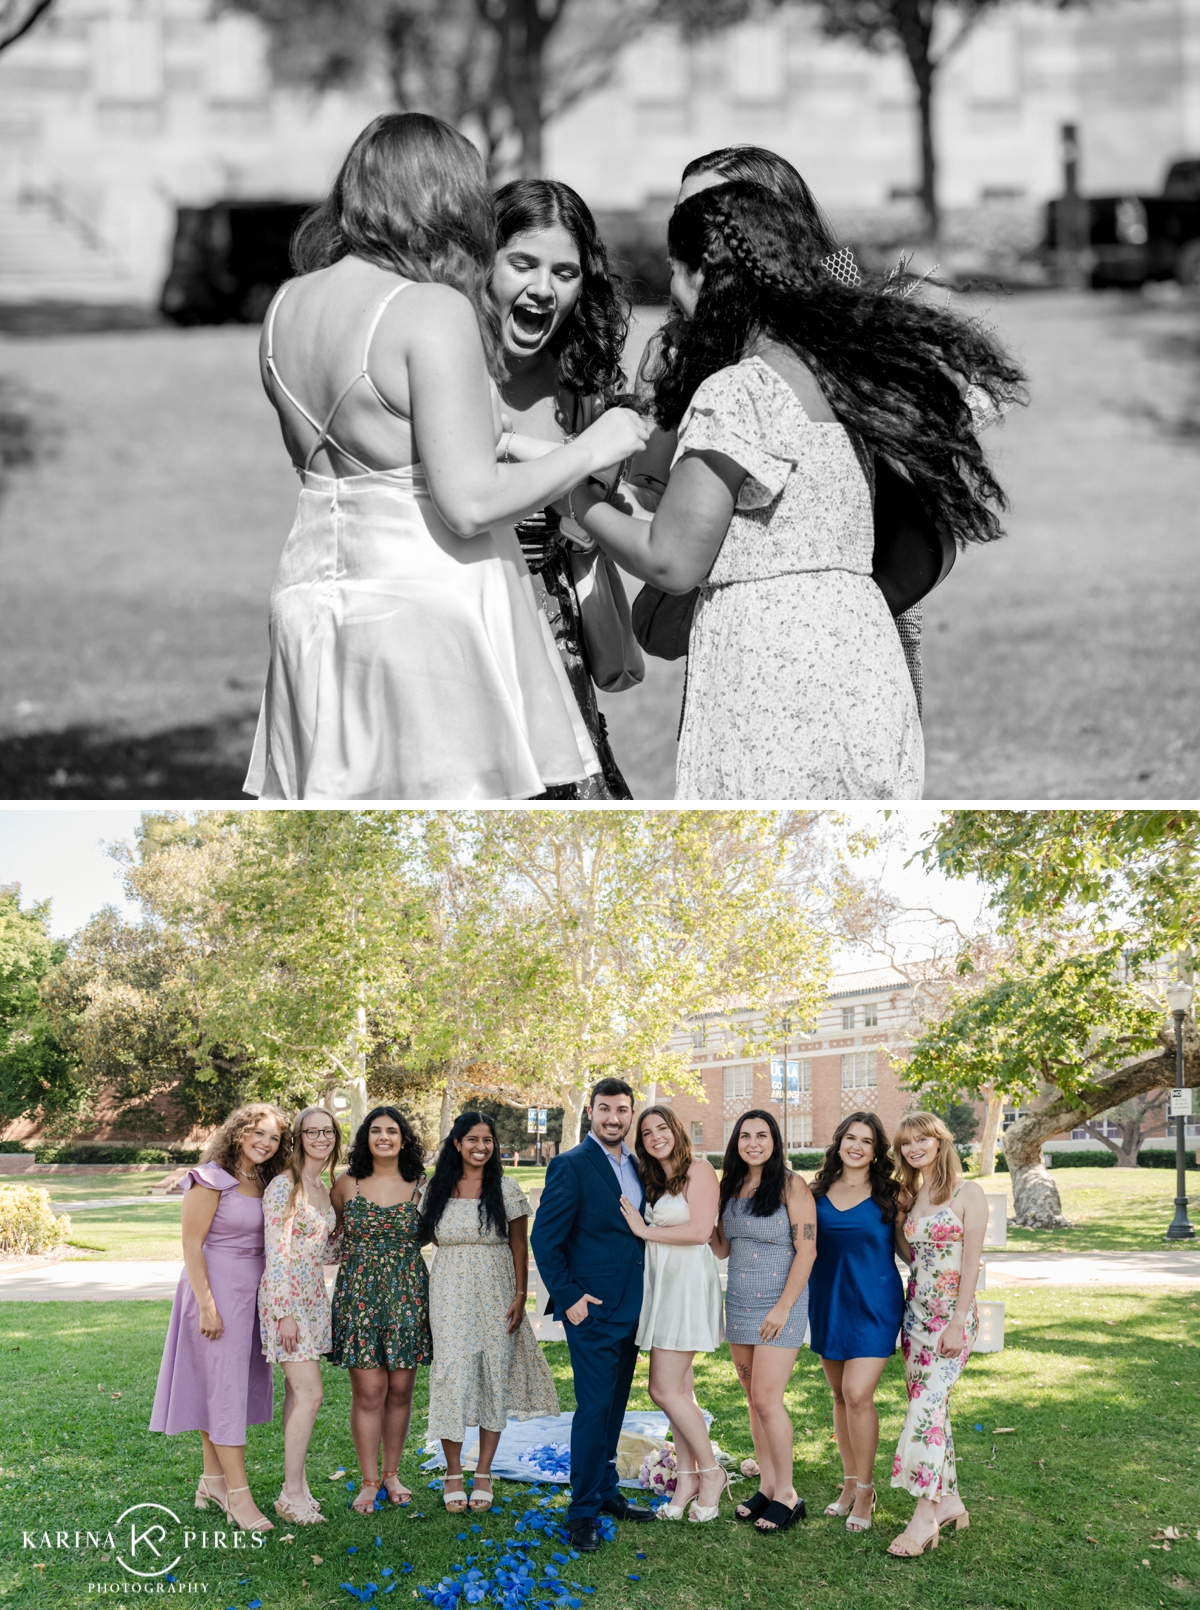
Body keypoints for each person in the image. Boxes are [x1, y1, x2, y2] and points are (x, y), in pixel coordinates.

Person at [566, 179, 1025, 800]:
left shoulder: (736, 390)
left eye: (677, 272)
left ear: (707, 276)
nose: (673, 293)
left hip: (770, 672)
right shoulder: (841, 378)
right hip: (863, 665)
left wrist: (579, 497)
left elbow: (671, 560)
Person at [243, 111, 651, 801]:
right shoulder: (429, 309)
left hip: (313, 603)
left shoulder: (285, 307)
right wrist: (591, 447)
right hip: (431, 610)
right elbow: (467, 503)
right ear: (443, 194)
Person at [634, 144, 925, 714]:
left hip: (857, 626)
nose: (695, 233)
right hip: (740, 634)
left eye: (715, 213)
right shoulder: (677, 349)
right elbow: (654, 489)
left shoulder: (850, 333)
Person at [492, 179, 639, 800]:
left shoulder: (581, 379)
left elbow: (593, 515)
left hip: (552, 623)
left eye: (565, 272)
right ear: (483, 261)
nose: (543, 289)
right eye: (522, 263)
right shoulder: (441, 363)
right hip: (458, 612)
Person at [150, 1103, 289, 1533]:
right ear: (238, 1132)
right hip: (216, 1293)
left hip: (252, 1294)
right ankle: (238, 1498)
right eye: (259, 1133)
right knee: (225, 1394)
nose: (266, 1143)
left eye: (274, 1138)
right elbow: (192, 1247)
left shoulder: (265, 1181)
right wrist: (207, 1304)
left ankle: (212, 1481)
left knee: (225, 1390)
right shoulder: (210, 1178)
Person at [529, 1078, 655, 1551]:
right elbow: (546, 1239)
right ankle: (581, 1511)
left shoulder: (640, 1166)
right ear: (590, 1110)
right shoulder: (571, 1165)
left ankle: (605, 1491)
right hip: (592, 1310)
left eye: (622, 1110)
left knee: (616, 1405)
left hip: (634, 1307)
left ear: (631, 1113)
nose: (614, 1118)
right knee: (594, 1408)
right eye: (605, 1109)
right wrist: (571, 1297)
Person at [419, 1111, 558, 1512]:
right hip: (448, 1292)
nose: (481, 1147)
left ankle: (483, 1471)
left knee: (494, 1373)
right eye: (473, 1140)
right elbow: (423, 1235)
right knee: (452, 1374)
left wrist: (520, 1295)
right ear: (457, 1143)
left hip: (497, 1290)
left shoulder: (506, 1187)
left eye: (488, 1140)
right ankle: (452, 1472)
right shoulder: (438, 1190)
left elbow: (519, 1246)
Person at [710, 1109, 816, 1534]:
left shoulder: (793, 1185)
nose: (753, 1143)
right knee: (753, 1399)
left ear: (775, 1141)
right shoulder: (730, 1187)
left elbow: (806, 1251)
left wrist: (784, 1307)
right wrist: (704, 1226)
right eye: (745, 1136)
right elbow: (721, 1249)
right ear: (736, 1142)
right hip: (738, 1304)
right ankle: (768, 1487)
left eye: (762, 1135)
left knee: (769, 1400)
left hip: (779, 1307)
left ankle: (789, 1494)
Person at [886, 1111, 987, 1557]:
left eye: (922, 1139)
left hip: (951, 1319)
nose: (914, 1148)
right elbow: (910, 1256)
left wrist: (958, 1321)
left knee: (924, 1411)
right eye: (906, 1143)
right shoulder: (910, 1196)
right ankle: (950, 1503)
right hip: (916, 1319)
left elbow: (971, 1265)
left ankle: (924, 1518)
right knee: (933, 1410)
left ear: (941, 1141)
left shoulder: (969, 1193)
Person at [617, 1105, 725, 1522]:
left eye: (662, 1128)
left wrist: (645, 1231)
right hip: (662, 1286)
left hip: (686, 1285)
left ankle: (711, 1473)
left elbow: (700, 1231)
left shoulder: (700, 1170)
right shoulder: (654, 1180)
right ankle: (686, 1480)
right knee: (680, 1390)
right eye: (646, 1133)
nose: (655, 1136)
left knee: (662, 1390)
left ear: (677, 1130)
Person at [329, 1105, 432, 1514]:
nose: (384, 1137)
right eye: (376, 1131)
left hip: (407, 1294)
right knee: (369, 1390)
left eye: (392, 1130)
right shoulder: (345, 1184)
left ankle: (392, 1473)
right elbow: (329, 1236)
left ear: (403, 1138)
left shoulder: (420, 1185)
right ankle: (369, 1480)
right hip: (358, 1297)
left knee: (402, 1389)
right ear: (365, 1138)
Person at [808, 1111, 905, 1533]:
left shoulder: (892, 1195)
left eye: (867, 1141)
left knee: (857, 1392)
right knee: (839, 1396)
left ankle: (866, 1490)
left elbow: (910, 1250)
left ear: (876, 1150)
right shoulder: (814, 1192)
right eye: (851, 1138)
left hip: (875, 1304)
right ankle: (849, 1484)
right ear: (839, 1142)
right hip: (829, 1302)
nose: (857, 1147)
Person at [257, 1105, 343, 1525]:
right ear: (299, 1137)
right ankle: (290, 1495)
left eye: (328, 1131)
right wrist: (284, 1313)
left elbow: (322, 1251)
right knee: (311, 1394)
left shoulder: (322, 1186)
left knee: (297, 1395)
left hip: (313, 1298)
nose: (322, 1138)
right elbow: (278, 1253)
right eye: (313, 1132)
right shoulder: (284, 1186)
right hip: (286, 1300)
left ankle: (298, 1485)